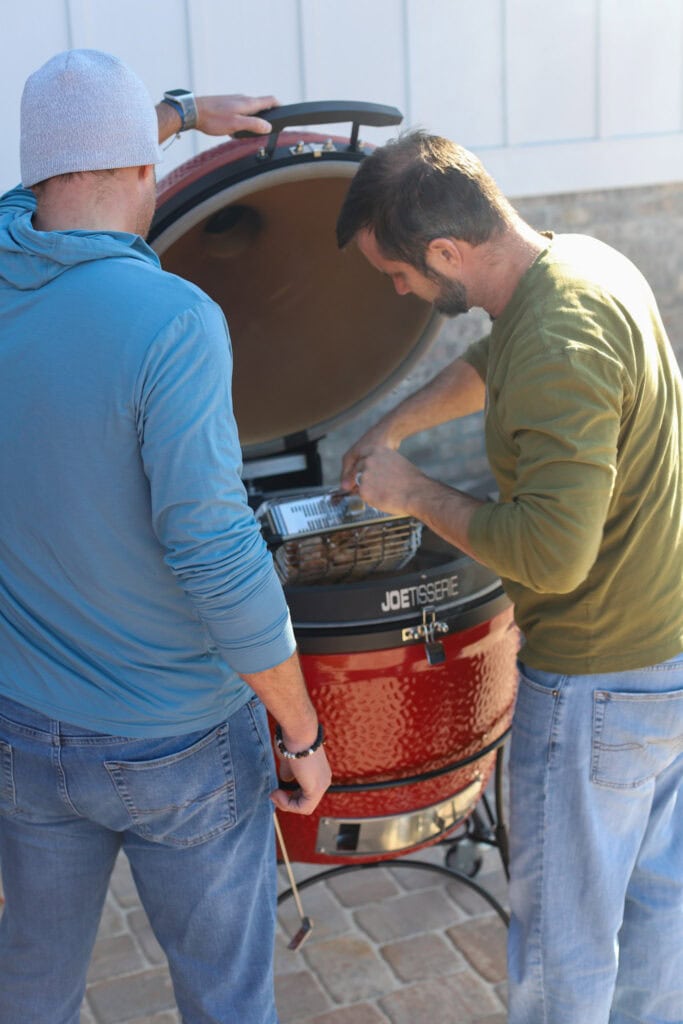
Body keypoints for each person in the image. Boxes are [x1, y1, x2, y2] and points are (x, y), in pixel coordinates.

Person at [0, 49, 331, 1024]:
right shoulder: (173, 320)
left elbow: (61, 171)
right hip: (177, 743)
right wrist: (300, 727)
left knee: (32, 988)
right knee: (225, 996)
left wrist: (177, 114)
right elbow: (214, 550)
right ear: (147, 179)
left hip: (23, 729)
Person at [336, 131, 683, 1024]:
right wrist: (393, 428)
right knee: (654, 909)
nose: (399, 290)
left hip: (596, 679)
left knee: (564, 941)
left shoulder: (557, 341)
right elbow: (492, 365)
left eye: (398, 274)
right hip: (665, 652)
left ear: (446, 251)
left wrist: (411, 491)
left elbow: (550, 555)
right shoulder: (577, 266)